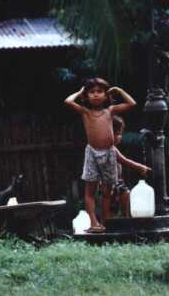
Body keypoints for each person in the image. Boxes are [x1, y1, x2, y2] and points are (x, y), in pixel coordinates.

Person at [64, 77, 136, 232]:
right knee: (89, 190)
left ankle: (105, 222)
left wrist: (119, 91)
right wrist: (79, 92)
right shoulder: (85, 112)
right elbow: (68, 102)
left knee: (106, 192)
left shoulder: (110, 111)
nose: (96, 94)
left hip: (109, 153)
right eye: (92, 92)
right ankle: (93, 223)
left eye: (99, 91)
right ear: (86, 96)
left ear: (106, 95)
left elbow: (132, 103)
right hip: (92, 153)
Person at [109, 115, 151, 218]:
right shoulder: (110, 149)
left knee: (126, 196)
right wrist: (140, 167)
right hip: (109, 183)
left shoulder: (113, 148)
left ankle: (126, 220)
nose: (120, 137)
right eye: (118, 134)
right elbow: (125, 161)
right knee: (110, 207)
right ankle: (107, 225)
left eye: (120, 134)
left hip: (119, 182)